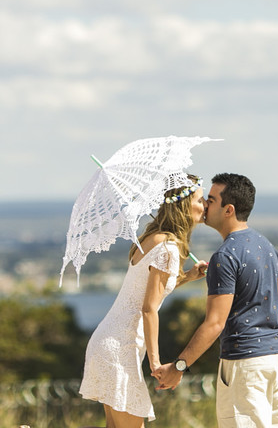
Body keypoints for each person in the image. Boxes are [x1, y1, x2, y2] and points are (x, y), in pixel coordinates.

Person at [153, 172, 278, 428]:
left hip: (246, 367)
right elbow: (277, 308)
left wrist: (178, 367)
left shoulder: (225, 256)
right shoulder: (267, 246)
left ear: (228, 209)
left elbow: (214, 324)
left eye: (210, 200)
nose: (205, 205)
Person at [78, 175, 209, 427]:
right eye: (199, 199)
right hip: (121, 348)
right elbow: (149, 308)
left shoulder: (153, 238)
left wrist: (188, 276)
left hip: (108, 342)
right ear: (183, 205)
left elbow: (147, 291)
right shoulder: (169, 247)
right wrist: (156, 362)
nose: (204, 205)